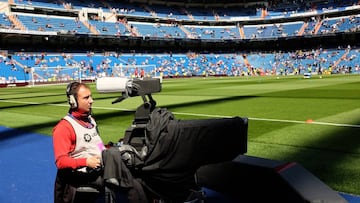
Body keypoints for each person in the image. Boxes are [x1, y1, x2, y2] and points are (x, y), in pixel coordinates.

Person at [52, 81, 106, 203]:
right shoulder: (64, 127)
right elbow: (60, 161)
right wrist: (86, 162)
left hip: (96, 173)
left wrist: (105, 150)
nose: (91, 100)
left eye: (91, 96)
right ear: (73, 101)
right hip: (76, 183)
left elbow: (96, 142)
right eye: (86, 98)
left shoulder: (90, 120)